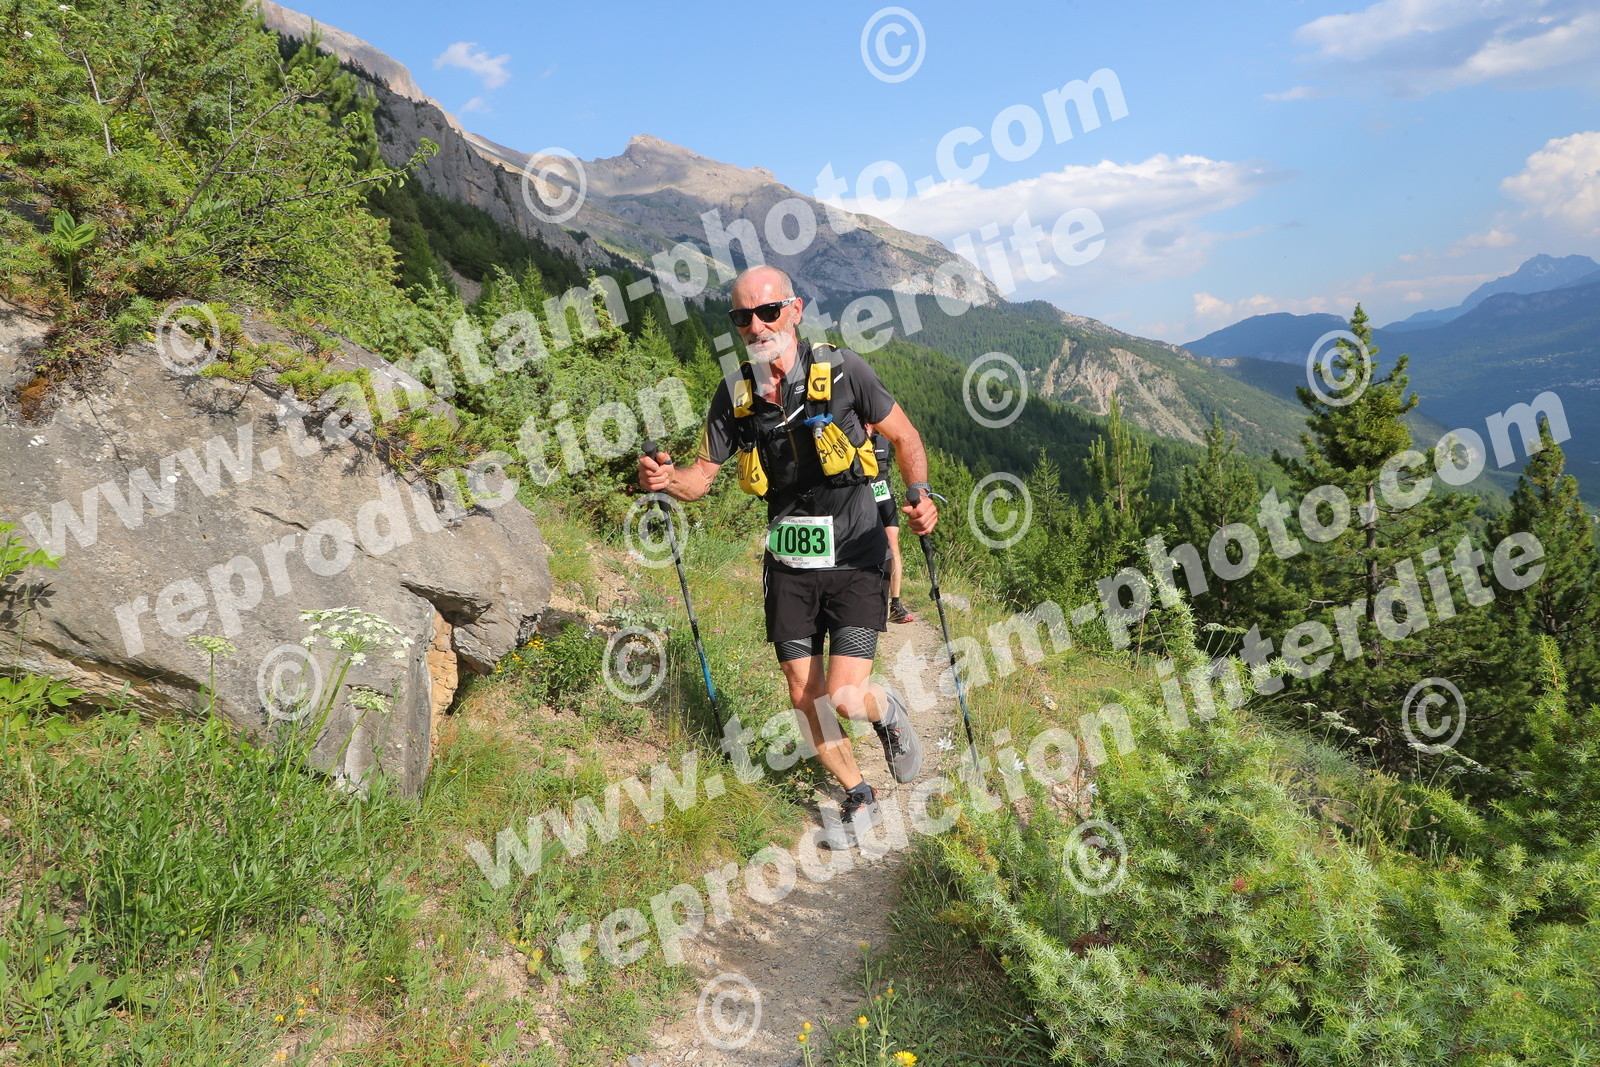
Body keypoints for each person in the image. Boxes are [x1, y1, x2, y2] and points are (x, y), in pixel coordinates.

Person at [637, 265, 937, 849]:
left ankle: (885, 710)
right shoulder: (735, 395)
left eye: (768, 312)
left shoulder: (845, 371)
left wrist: (919, 494)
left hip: (856, 556)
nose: (756, 326)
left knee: (845, 697)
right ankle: (859, 794)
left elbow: (905, 437)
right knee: (805, 693)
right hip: (790, 566)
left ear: (794, 311)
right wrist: (665, 479)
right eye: (742, 317)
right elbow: (700, 479)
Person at [865, 424, 917, 625]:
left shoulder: (884, 431)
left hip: (883, 492)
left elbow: (906, 447)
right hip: (858, 496)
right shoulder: (850, 426)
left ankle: (895, 604)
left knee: (892, 543)